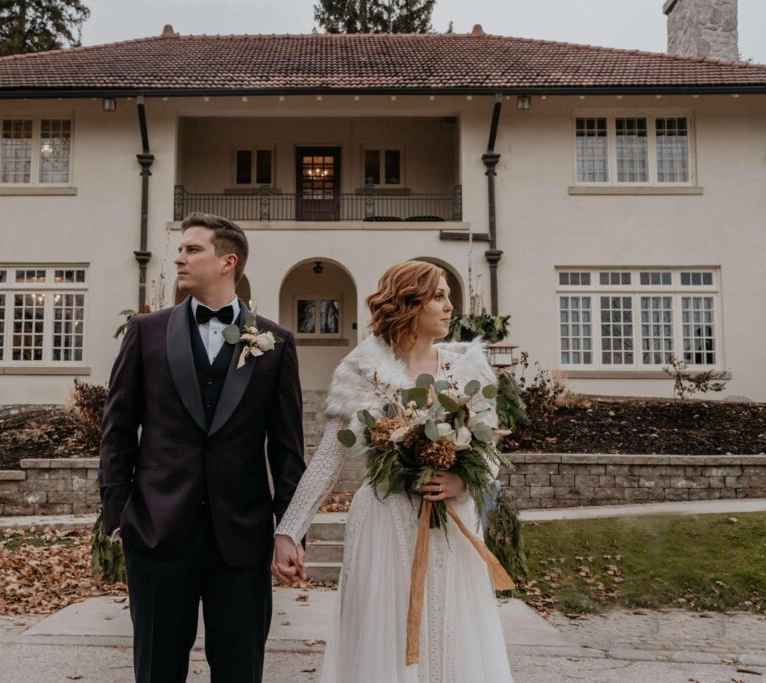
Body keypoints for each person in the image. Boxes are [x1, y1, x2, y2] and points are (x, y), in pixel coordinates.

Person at [272, 261, 514, 683]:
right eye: (438, 296)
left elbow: (490, 453)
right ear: (408, 303)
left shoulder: (468, 369)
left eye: (448, 297)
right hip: (385, 523)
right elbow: (329, 459)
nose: (449, 306)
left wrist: (461, 479)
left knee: (451, 629)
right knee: (385, 632)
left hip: (450, 525)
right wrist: (288, 531)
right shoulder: (362, 371)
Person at [98, 212, 306, 683]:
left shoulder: (275, 343)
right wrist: (118, 516)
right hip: (156, 530)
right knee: (156, 669)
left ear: (228, 261)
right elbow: (118, 430)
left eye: (192, 249)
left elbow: (287, 449)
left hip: (243, 536)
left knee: (240, 670)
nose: (179, 257)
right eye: (180, 249)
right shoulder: (146, 332)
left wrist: (289, 529)